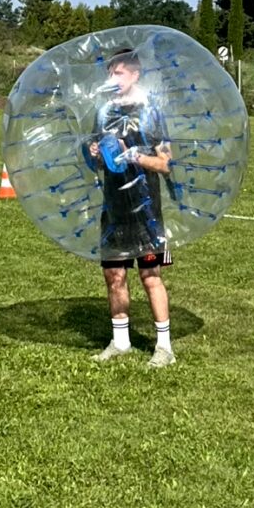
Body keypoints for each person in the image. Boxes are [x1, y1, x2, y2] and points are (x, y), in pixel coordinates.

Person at [85, 43, 177, 366]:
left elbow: (166, 163)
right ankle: (120, 341)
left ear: (135, 74)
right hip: (114, 209)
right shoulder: (103, 111)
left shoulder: (150, 109)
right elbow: (94, 160)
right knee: (114, 276)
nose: (113, 76)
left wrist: (136, 156)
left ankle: (164, 347)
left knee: (150, 275)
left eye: (119, 71)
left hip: (145, 210)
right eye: (110, 71)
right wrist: (94, 154)